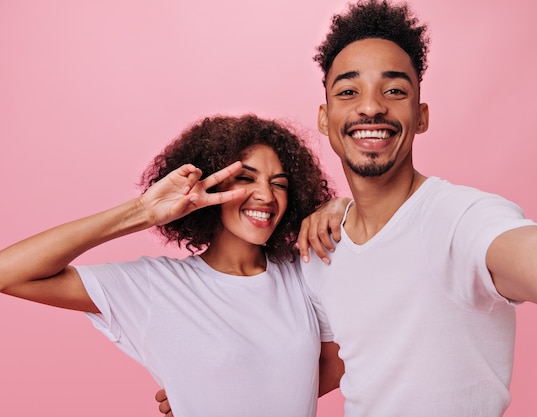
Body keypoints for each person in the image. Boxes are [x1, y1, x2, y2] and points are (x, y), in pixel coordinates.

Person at [155, 1, 537, 415]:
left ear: (420, 115)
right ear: (325, 117)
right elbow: (329, 366)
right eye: (348, 92)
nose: (371, 108)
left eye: (395, 90)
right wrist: (210, 394)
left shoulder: (461, 220)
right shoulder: (324, 244)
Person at [0, 114, 346, 417]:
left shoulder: (304, 269)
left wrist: (344, 209)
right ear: (208, 183)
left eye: (279, 184)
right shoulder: (158, 287)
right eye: (246, 178)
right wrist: (143, 212)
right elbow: (7, 272)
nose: (266, 196)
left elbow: (339, 362)